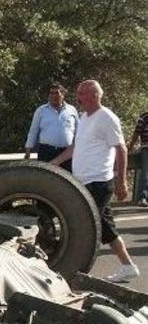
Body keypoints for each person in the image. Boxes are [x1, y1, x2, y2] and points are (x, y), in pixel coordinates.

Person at [50, 80, 139, 283]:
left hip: (99, 182)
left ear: (95, 95)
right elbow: (76, 147)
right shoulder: (84, 117)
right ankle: (128, 266)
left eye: (82, 94)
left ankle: (74, 269)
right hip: (83, 181)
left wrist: (121, 181)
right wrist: (55, 162)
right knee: (106, 227)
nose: (78, 97)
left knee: (85, 224)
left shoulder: (107, 118)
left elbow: (121, 149)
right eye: (78, 93)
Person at [24, 83, 78, 171]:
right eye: (51, 93)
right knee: (45, 180)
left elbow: (78, 132)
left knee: (67, 181)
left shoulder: (71, 110)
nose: (53, 96)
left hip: (66, 153)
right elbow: (33, 131)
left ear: (63, 95)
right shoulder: (41, 110)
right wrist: (28, 152)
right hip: (46, 152)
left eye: (56, 93)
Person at [128, 109, 148, 207]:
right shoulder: (144, 117)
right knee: (145, 173)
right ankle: (143, 197)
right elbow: (137, 132)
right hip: (146, 148)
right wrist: (130, 147)